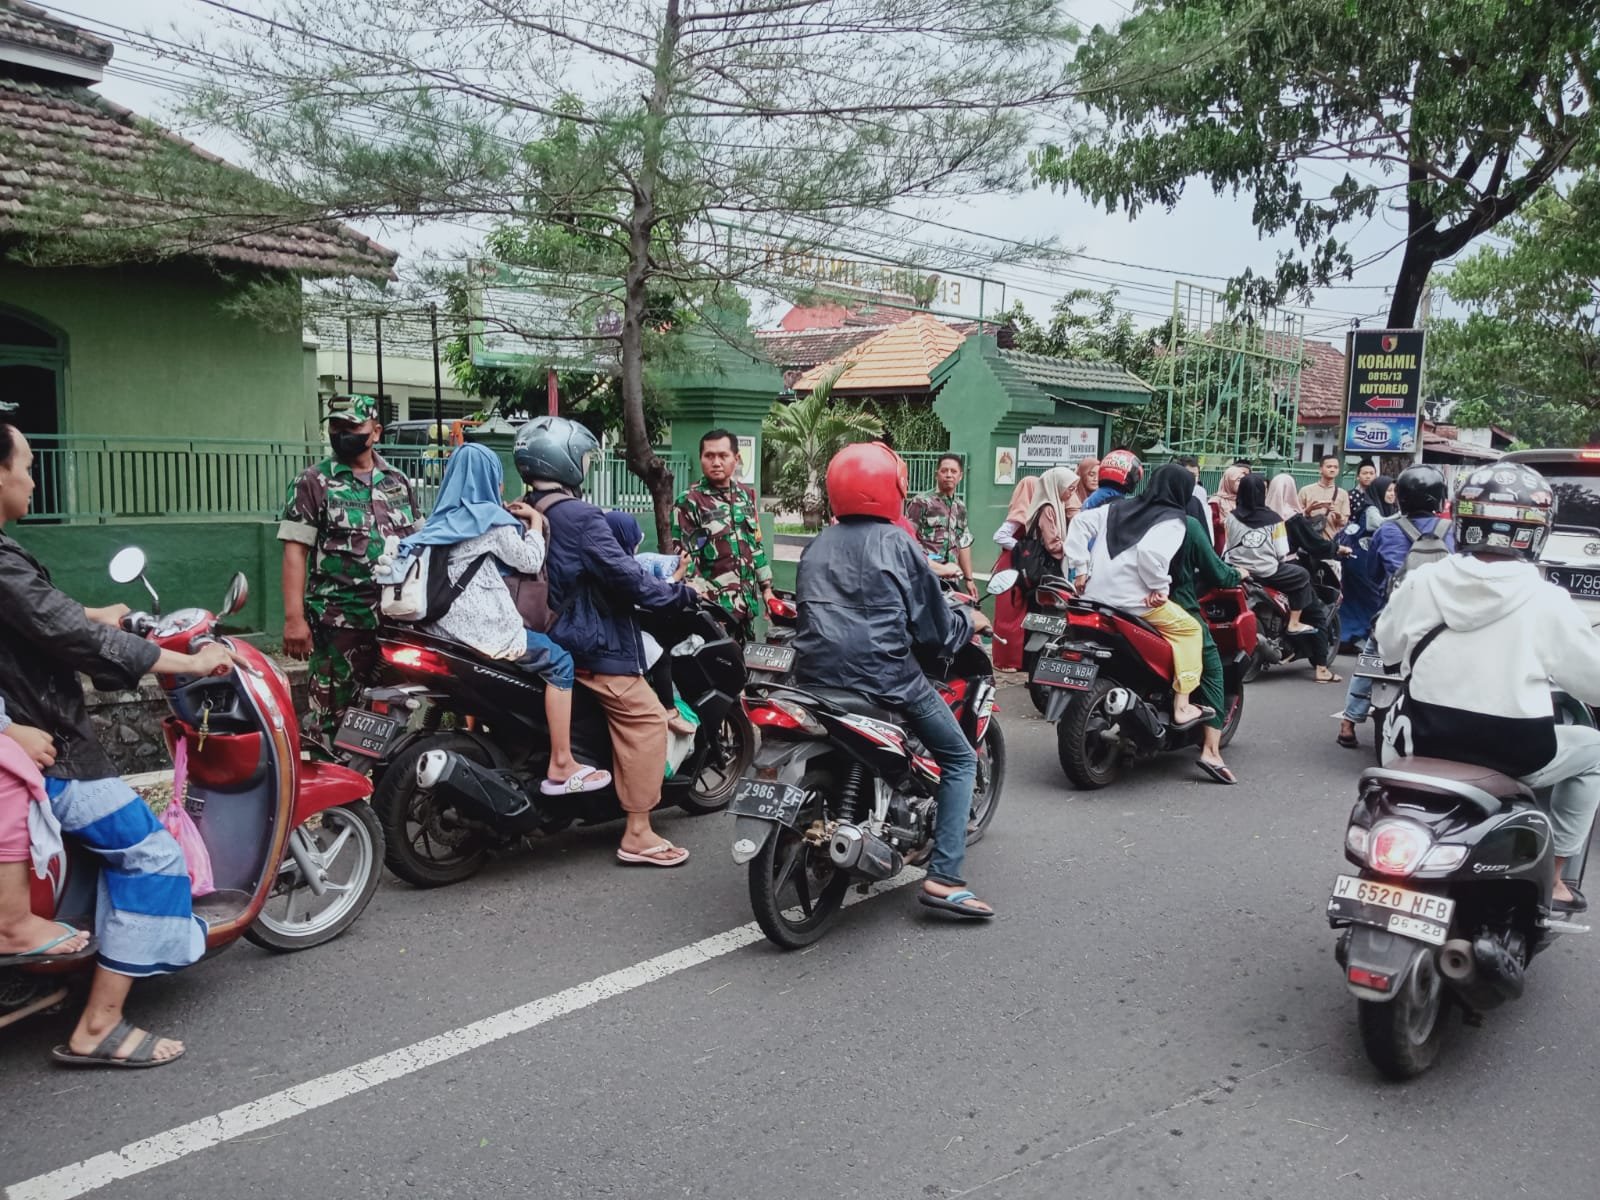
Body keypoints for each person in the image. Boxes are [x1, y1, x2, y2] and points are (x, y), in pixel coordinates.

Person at [0, 423, 237, 1068]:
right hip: (51, 754)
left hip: (25, 733)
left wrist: (96, 613)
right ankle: (98, 1026)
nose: (32, 477)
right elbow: (66, 637)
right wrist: (185, 665)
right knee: (154, 856)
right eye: (24, 465)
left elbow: (41, 618)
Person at [1377, 462, 1600, 912]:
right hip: (1514, 754)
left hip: (1420, 741)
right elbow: (1592, 683)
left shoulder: (1425, 581)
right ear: (1538, 532)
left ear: (1463, 519)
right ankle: (1555, 877)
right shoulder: (1548, 600)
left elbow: (1387, 647)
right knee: (1593, 751)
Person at [792, 441, 994, 919]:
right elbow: (936, 629)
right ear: (893, 489)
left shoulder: (818, 543)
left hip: (814, 678)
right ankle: (945, 878)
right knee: (961, 761)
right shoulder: (899, 543)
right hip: (886, 679)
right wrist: (971, 622)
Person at [514, 416, 701, 867]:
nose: (585, 463)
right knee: (648, 721)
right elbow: (627, 578)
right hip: (592, 645)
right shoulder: (580, 516)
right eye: (582, 456)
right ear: (564, 460)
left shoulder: (522, 508)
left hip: (536, 638)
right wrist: (680, 594)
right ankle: (638, 831)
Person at [402, 444, 608, 796]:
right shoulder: (490, 521)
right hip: (484, 633)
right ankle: (562, 760)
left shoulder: (435, 522)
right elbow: (529, 561)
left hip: (440, 633)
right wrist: (536, 522)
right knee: (560, 662)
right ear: (490, 480)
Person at [279, 394, 419, 742]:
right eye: (336, 426)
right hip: (338, 625)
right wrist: (294, 619)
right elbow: (295, 552)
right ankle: (334, 794)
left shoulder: (397, 482)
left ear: (375, 432)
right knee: (329, 720)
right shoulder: (313, 482)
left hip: (393, 624)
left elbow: (419, 544)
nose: (342, 434)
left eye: (352, 427)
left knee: (393, 717)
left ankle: (386, 790)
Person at [1067, 462, 1211, 728]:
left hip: (1095, 598)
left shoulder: (1116, 507)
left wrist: (1080, 568)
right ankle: (1182, 705)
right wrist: (1160, 587)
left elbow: (1078, 523)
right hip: (1134, 603)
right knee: (1191, 631)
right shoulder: (1173, 519)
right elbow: (1151, 554)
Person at [1337, 465, 1451, 749]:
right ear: (1439, 498)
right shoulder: (1452, 531)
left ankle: (1349, 722)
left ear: (1400, 497)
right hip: (1441, 617)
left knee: (1371, 659)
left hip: (1395, 614)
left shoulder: (1387, 530)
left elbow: (1374, 574)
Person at [1155, 465, 1246, 782]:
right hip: (1175, 605)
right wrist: (1238, 575)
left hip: (1123, 603)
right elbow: (1217, 572)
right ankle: (1210, 750)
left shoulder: (1133, 517)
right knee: (1212, 666)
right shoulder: (1187, 525)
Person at [671, 429, 773, 641]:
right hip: (714, 612)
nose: (716, 462)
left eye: (723, 456)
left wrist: (767, 590)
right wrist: (703, 602)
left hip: (746, 608)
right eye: (709, 456)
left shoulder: (746, 495)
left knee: (746, 669)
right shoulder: (690, 501)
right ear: (701, 459)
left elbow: (755, 545)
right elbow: (685, 557)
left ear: (735, 459)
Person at [1265, 473, 1348, 683]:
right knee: (1317, 615)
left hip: (1259, 569)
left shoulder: (1263, 515)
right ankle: (1321, 669)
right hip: (1287, 568)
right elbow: (1314, 544)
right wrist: (1337, 548)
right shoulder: (1291, 518)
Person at [1224, 473, 1319, 641]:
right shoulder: (1275, 519)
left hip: (1237, 569)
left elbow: (1228, 544)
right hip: (1267, 571)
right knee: (1302, 575)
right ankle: (1294, 623)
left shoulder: (1231, 517)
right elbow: (1282, 553)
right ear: (1262, 493)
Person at [989, 474, 1041, 672]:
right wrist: (1023, 548)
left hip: (1017, 565)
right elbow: (1000, 536)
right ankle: (1006, 661)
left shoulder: (1033, 513)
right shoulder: (1021, 513)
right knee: (1009, 615)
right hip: (1011, 566)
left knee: (1018, 615)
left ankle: (1015, 661)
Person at [1338, 472, 1398, 643]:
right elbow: (1375, 524)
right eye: (1388, 491)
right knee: (1369, 598)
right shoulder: (1371, 508)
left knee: (1364, 600)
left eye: (1394, 491)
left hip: (1369, 559)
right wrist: (1401, 517)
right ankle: (1352, 636)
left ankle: (1352, 637)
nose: (1392, 494)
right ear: (1379, 491)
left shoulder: (1387, 508)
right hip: (1360, 560)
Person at [904, 453, 975, 592]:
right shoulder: (922, 502)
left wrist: (969, 579)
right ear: (937, 474)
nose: (949, 475)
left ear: (960, 476)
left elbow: (963, 543)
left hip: (951, 580)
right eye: (944, 471)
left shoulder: (960, 507)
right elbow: (908, 539)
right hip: (926, 575)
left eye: (953, 471)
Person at [1018, 465, 1081, 571]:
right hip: (1046, 565)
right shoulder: (1048, 509)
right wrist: (1071, 548)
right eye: (1070, 489)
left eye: (1074, 489)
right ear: (1058, 486)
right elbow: (1052, 544)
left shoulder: (1058, 504)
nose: (1072, 493)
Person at [1298, 455, 1351, 537]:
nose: (1332, 470)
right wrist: (1308, 510)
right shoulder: (1305, 491)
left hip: (1332, 541)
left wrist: (1338, 514)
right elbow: (1296, 518)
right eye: (1329, 467)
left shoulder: (1343, 494)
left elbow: (1344, 523)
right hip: (1309, 540)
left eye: (1335, 467)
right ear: (1320, 469)